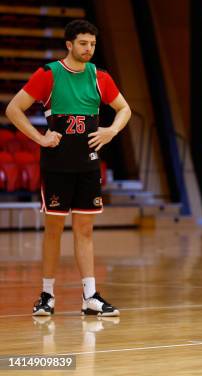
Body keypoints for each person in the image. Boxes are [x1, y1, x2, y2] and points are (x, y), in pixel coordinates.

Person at [5, 19, 131, 317]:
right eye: (84, 44)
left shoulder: (100, 77)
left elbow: (124, 109)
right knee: (53, 230)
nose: (89, 49)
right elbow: (13, 109)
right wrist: (40, 137)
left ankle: (90, 296)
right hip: (57, 166)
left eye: (93, 44)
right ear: (69, 45)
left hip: (88, 167)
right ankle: (46, 295)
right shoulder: (48, 74)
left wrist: (111, 131)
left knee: (85, 231)